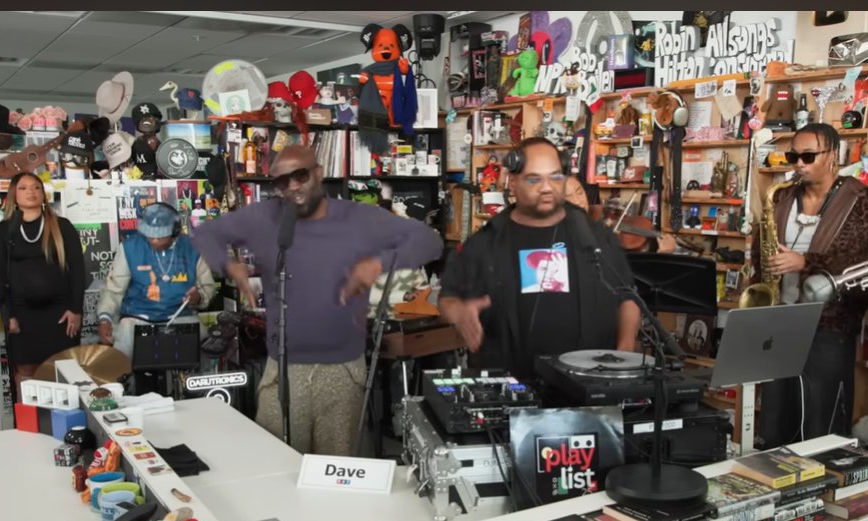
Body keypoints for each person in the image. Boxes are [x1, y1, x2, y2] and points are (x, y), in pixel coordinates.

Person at [191, 145, 442, 456]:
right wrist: (230, 266)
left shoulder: (357, 217)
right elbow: (205, 234)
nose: (292, 186)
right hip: (283, 368)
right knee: (275, 465)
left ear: (319, 174)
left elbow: (429, 241)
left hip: (341, 370)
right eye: (281, 181)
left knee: (335, 474)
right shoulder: (265, 217)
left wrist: (378, 262)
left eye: (300, 175)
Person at [440, 138, 642, 381]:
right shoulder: (483, 243)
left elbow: (628, 298)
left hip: (591, 384)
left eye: (555, 177)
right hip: (512, 386)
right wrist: (458, 311)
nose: (547, 188)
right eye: (534, 179)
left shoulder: (595, 235)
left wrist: (625, 350)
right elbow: (447, 299)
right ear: (512, 182)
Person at [754, 123, 868, 447]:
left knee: (820, 422)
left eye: (808, 156)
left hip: (829, 326)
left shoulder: (862, 200)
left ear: (832, 156)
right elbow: (762, 244)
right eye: (793, 156)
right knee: (774, 417)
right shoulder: (782, 196)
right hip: (781, 318)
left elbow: (862, 261)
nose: (798, 163)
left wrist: (805, 262)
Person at [0, 172, 86, 384]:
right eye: (23, 188)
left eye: (36, 187)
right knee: (27, 370)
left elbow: (78, 270)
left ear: (43, 193)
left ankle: (65, 417)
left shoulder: (62, 227)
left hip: (61, 313)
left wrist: (76, 310)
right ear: (14, 194)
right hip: (22, 314)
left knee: (64, 369)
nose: (30, 192)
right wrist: (8, 314)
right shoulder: (3, 231)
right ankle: (30, 417)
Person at [97, 202, 217, 361]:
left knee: (205, 351)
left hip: (181, 317)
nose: (153, 240)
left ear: (175, 231)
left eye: (160, 236)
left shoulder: (193, 247)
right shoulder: (128, 248)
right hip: (136, 319)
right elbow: (114, 290)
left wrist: (200, 298)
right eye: (149, 235)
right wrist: (105, 319)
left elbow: (209, 288)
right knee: (119, 364)